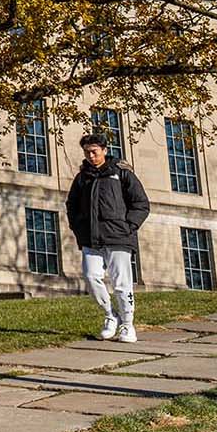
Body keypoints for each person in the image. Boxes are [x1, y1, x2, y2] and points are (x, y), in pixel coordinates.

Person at [66, 133, 149, 343]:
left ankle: (128, 325)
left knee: (122, 283)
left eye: (94, 151)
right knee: (91, 277)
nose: (91, 155)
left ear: (104, 150)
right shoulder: (82, 177)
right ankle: (110, 315)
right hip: (90, 239)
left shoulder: (121, 173)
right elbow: (72, 205)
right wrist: (78, 229)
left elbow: (140, 203)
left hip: (119, 237)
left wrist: (129, 226)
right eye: (87, 152)